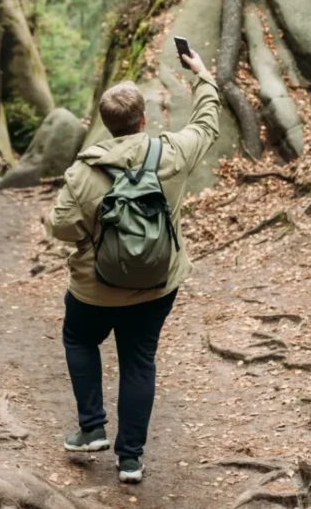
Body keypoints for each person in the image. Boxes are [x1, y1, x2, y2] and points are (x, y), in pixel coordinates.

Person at [46, 48, 221, 484]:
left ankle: (91, 429)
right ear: (144, 119)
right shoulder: (173, 153)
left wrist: (94, 234)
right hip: (157, 285)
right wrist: (201, 76)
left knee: (79, 338)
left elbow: (61, 227)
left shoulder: (83, 173)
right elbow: (206, 125)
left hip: (95, 288)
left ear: (106, 124)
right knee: (139, 361)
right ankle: (130, 460)